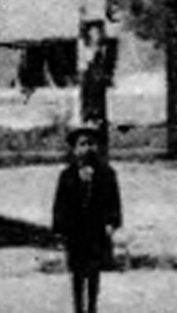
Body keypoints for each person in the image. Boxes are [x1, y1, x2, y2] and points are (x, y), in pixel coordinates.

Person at [51, 123, 123, 313]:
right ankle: (78, 308)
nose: (87, 149)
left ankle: (92, 307)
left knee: (93, 272)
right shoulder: (67, 176)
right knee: (77, 272)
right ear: (74, 150)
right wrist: (60, 229)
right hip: (75, 232)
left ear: (98, 147)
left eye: (91, 144)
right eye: (82, 144)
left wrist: (112, 221)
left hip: (96, 231)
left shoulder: (107, 174)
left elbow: (114, 201)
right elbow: (60, 204)